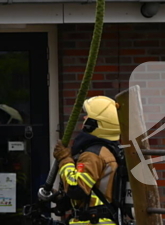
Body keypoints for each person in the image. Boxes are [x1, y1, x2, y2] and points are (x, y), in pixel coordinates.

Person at [52, 96, 125, 225]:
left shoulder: (93, 155)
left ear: (94, 124)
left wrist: (64, 159)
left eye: (87, 117)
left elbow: (77, 189)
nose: (84, 119)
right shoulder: (109, 150)